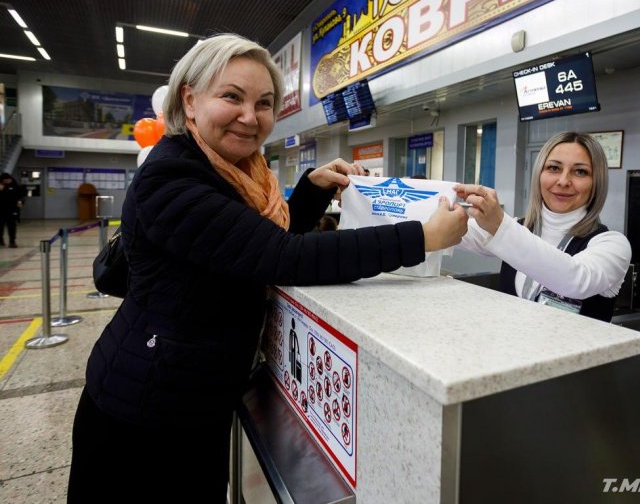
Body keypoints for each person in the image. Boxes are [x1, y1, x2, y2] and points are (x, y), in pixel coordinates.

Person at [67, 34, 467, 503]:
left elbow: (247, 243)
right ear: (189, 101)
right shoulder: (172, 178)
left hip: (193, 397)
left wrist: (313, 188)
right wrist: (421, 237)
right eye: (231, 96)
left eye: (264, 103)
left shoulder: (234, 171)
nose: (250, 116)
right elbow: (284, 256)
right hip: (144, 416)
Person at [454, 132, 630, 322]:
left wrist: (500, 226)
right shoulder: (516, 228)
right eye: (554, 168)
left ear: (597, 182)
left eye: (580, 172)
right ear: (539, 174)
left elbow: (575, 281)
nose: (563, 181)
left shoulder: (612, 244)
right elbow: (451, 230)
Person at [0, 172, 24, 247]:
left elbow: (21, 195)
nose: (8, 181)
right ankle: (0, 240)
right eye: (5, 180)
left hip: (12, 210)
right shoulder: (1, 186)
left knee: (12, 226)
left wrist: (20, 201)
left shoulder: (15, 186)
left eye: (8, 180)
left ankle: (12, 241)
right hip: (1, 210)